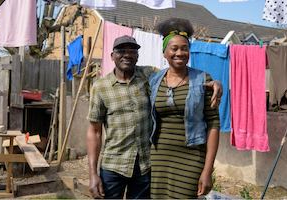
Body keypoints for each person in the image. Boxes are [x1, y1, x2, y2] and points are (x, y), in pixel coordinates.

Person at [86, 35, 222, 199]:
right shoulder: (100, 87)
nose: (127, 55)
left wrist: (216, 83)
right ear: (112, 56)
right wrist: (92, 173)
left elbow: (178, 73)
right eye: (121, 51)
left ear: (137, 56)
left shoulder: (150, 75)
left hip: (146, 166)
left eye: (132, 51)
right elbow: (94, 132)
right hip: (114, 165)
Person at [149, 18, 220, 199]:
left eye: (184, 48)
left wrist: (207, 170)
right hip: (159, 157)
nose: (180, 53)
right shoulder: (153, 80)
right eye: (174, 48)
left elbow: (213, 125)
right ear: (164, 52)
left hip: (191, 157)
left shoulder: (203, 80)